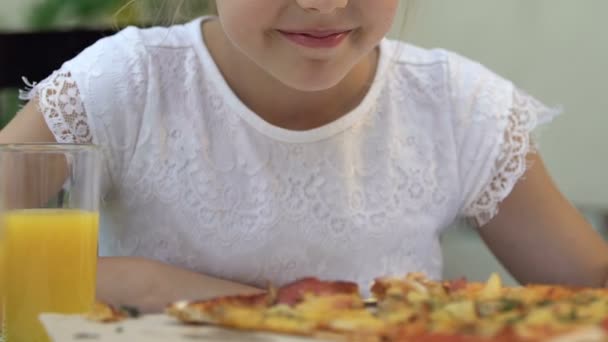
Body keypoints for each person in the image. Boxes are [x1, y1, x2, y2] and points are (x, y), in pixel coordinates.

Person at [2, 0, 607, 313]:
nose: (322, 2)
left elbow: (591, 289)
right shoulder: (130, 84)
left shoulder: (456, 107)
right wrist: (143, 281)